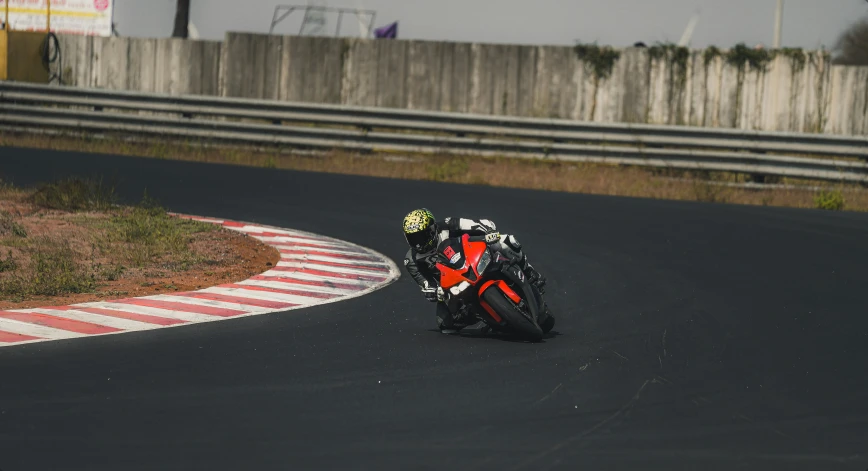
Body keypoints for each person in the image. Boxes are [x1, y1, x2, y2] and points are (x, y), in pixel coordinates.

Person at [401, 208, 546, 334]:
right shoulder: (411, 260)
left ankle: (529, 272)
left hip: (472, 260)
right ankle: (484, 317)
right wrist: (434, 291)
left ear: (432, 229)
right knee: (445, 325)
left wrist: (489, 231)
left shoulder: (446, 225)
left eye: (422, 236)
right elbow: (425, 284)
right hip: (451, 285)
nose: (419, 243)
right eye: (413, 238)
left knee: (507, 241)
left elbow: (476, 224)